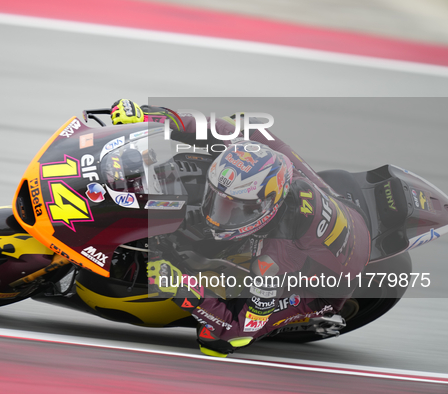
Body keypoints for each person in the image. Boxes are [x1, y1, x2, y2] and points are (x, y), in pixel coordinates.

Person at [110, 99, 371, 357]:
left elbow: (241, 328)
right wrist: (148, 116)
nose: (217, 214)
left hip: (326, 286)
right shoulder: (255, 158)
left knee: (217, 341)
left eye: (234, 207)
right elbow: (216, 127)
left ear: (266, 207)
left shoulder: (274, 259)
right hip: (335, 200)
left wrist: (181, 286)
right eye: (217, 200)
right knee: (241, 124)